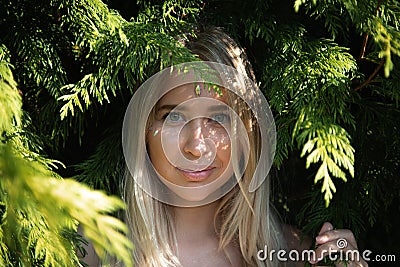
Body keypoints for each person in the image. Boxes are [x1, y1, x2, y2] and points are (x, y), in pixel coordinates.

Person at [83, 27, 368, 267]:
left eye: (219, 118)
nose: (196, 146)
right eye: (174, 116)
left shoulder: (294, 256)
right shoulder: (90, 251)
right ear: (144, 131)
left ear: (247, 133)